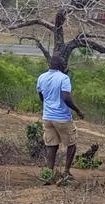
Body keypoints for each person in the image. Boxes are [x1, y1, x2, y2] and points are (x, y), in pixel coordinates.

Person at [36, 54, 84, 183]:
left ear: (49, 65)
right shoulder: (64, 78)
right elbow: (66, 98)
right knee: (72, 144)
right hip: (62, 117)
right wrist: (78, 110)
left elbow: (41, 97)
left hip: (47, 117)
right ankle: (66, 172)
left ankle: (49, 173)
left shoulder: (41, 77)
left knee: (51, 146)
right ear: (62, 66)